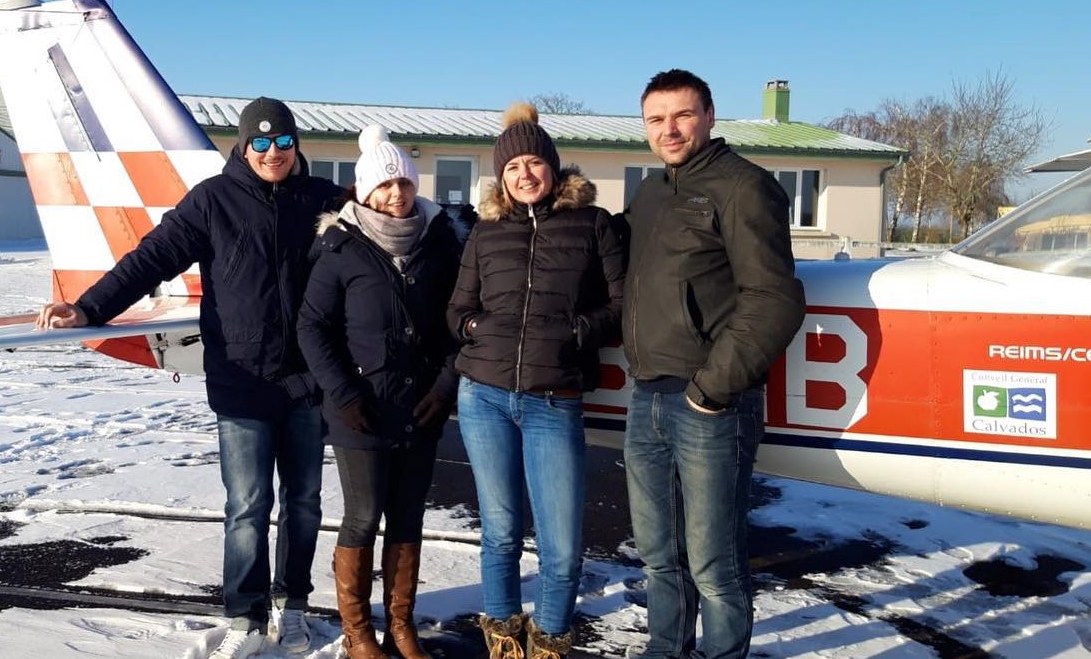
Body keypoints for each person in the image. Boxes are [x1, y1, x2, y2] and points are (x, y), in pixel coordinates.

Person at [36, 97, 344, 659]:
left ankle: (292, 604)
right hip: (242, 379)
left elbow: (385, 236)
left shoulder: (325, 200)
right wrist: (89, 307)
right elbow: (152, 257)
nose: (272, 153)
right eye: (260, 142)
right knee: (247, 506)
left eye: (282, 142)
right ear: (244, 147)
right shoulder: (212, 200)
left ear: (295, 144)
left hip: (306, 381)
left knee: (304, 502)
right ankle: (245, 615)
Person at [622, 69, 805, 659]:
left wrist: (713, 388)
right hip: (647, 395)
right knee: (659, 556)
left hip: (710, 404)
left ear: (709, 116)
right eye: (656, 119)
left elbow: (774, 298)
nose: (669, 129)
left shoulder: (744, 187)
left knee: (713, 563)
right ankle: (665, 651)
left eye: (682, 115)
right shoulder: (652, 193)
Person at [446, 102, 626, 659]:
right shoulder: (486, 233)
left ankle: (549, 639)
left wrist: (577, 330)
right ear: (500, 177)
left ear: (552, 166)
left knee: (561, 542)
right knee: (499, 531)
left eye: (533, 163)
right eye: (512, 167)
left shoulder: (592, 224)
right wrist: (476, 327)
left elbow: (622, 304)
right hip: (484, 396)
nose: (524, 175)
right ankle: (503, 638)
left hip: (554, 398)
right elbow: (457, 311)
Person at [297, 125, 462, 659]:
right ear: (365, 191)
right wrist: (345, 394)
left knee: (408, 517)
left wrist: (445, 386)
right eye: (385, 185)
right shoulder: (341, 246)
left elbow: (460, 325)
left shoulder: (440, 243)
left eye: (405, 184)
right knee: (364, 515)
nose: (396, 194)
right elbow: (312, 327)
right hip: (361, 410)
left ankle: (401, 627)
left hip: (420, 407)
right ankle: (358, 633)